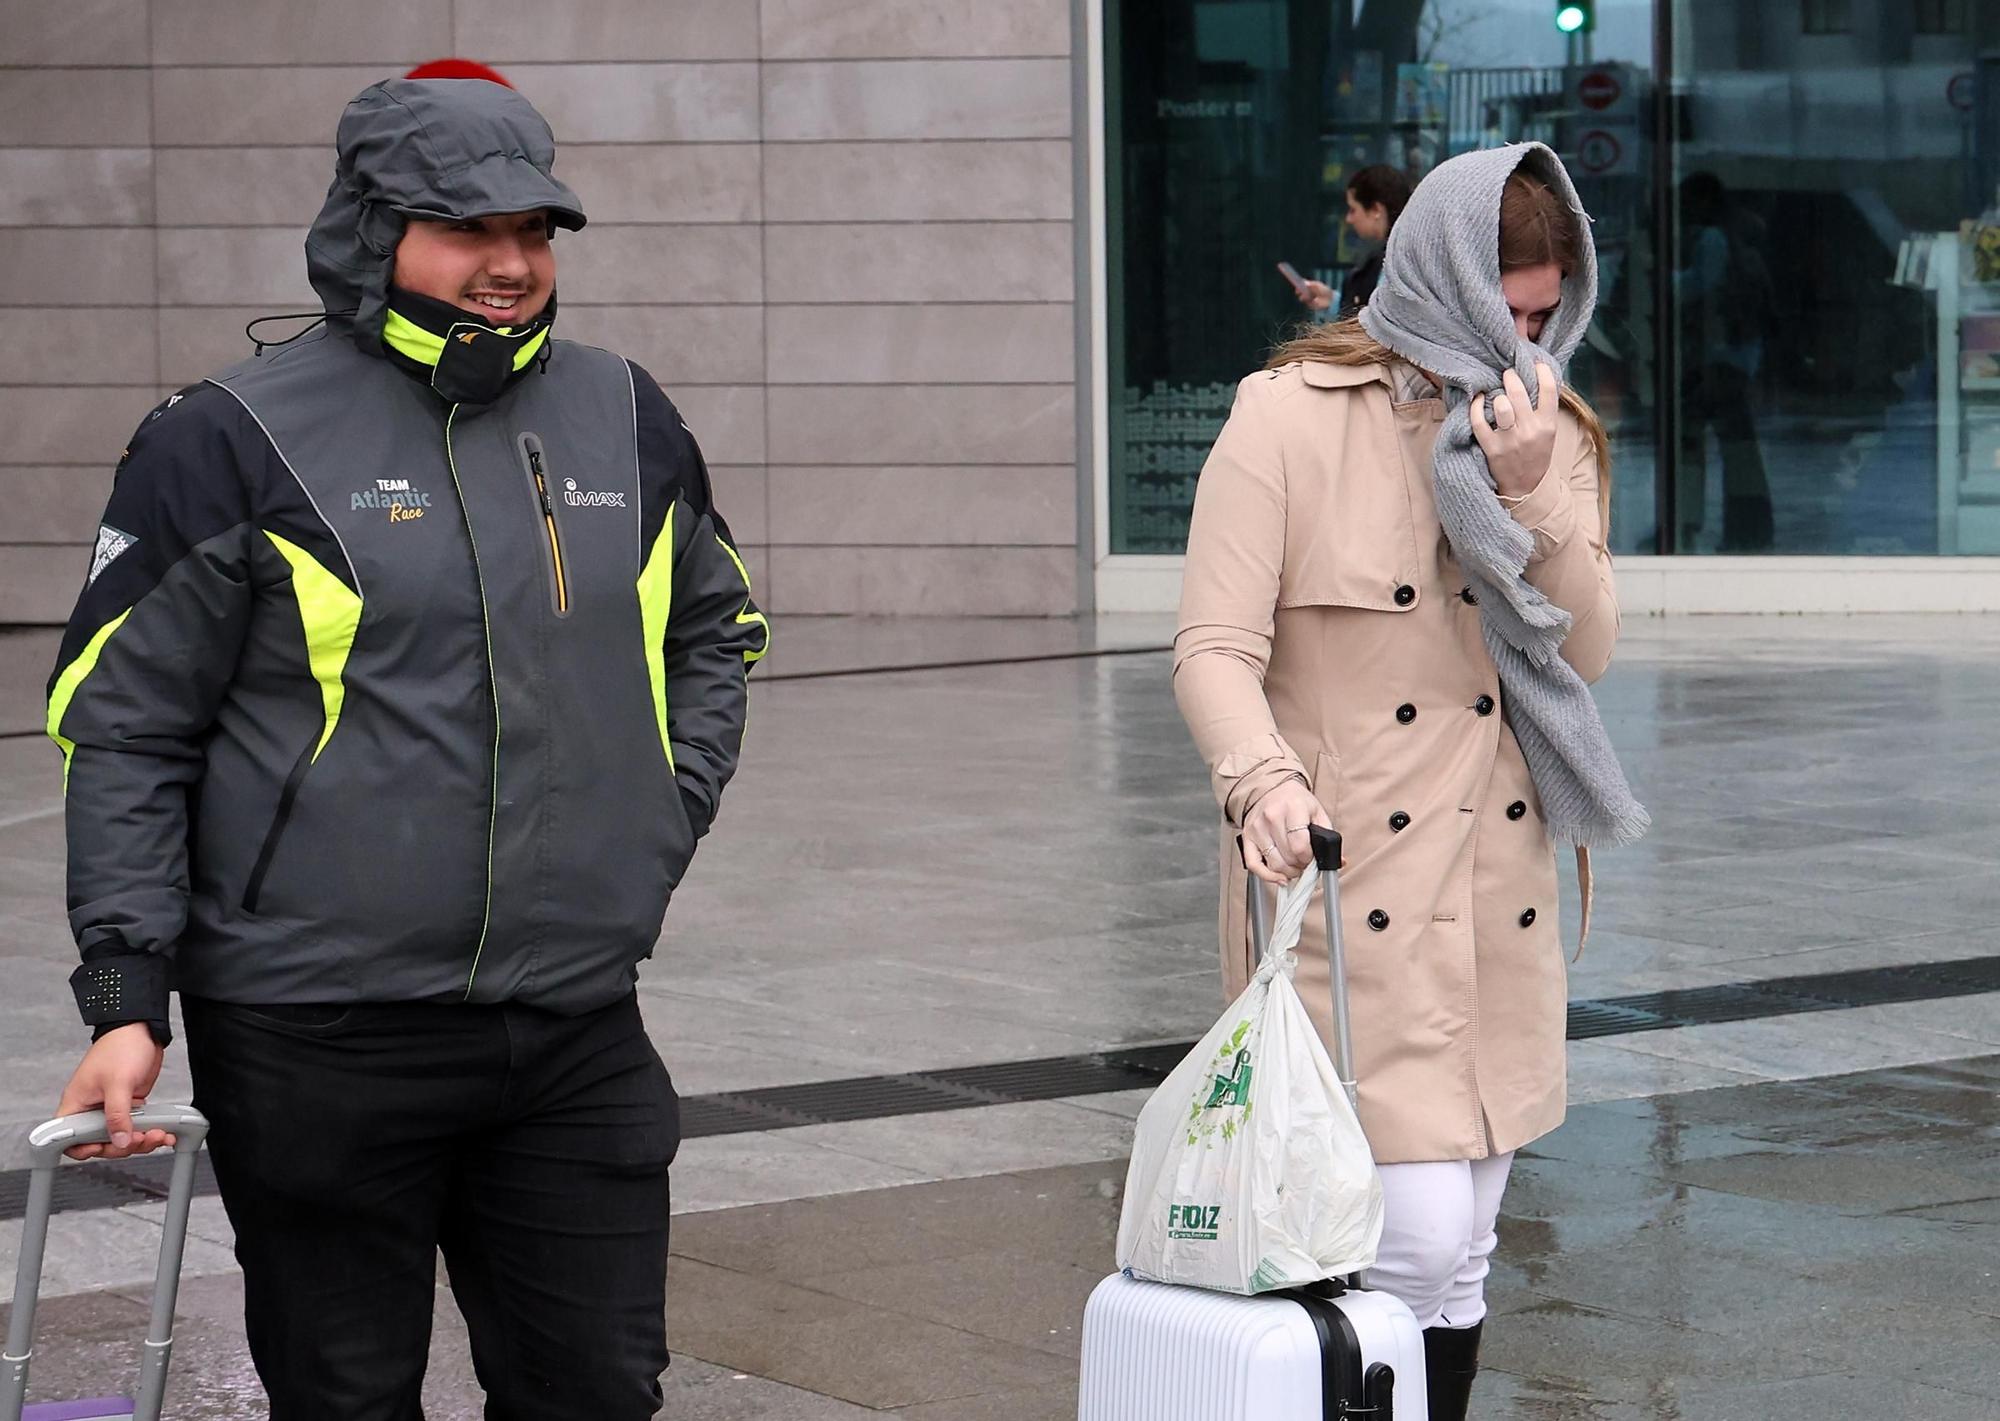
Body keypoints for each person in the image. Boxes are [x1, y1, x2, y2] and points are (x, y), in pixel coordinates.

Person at [44, 77, 768, 1418]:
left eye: (536, 232)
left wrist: (657, 819)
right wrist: (127, 993)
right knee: (349, 1396)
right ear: (375, 232)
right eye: (467, 229)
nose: (509, 264)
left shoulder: (625, 415)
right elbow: (125, 725)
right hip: (318, 1033)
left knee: (599, 1391)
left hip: (572, 1028)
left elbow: (715, 632)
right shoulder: (227, 439)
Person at [1174, 142, 1645, 1421]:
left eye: (1550, 314)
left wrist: (1532, 492)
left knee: (1465, 1242)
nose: (1529, 342)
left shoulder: (1551, 433)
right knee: (1412, 1235)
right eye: (1512, 310)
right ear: (1442, 276)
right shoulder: (1283, 418)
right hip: (1344, 883)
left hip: (1497, 885)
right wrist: (1258, 780)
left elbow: (1586, 651)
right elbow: (1214, 647)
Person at [1676, 170, 1775, 551]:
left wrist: (1662, 283)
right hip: (1736, 356)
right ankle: (1747, 529)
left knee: (1700, 446)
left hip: (1720, 358)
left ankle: (1698, 526)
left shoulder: (1714, 238)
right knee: (1737, 448)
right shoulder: (1740, 235)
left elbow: (1703, 284)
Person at [1295, 164, 1414, 320]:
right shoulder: (1390, 256)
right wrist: (1333, 301)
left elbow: (1376, 325)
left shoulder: (1398, 262)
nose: (1349, 219)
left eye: (1353, 209)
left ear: (1376, 210)